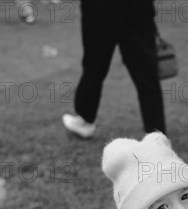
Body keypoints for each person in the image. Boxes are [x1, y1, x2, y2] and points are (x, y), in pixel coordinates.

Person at [63, 1, 165, 139]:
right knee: (146, 74)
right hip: (136, 8)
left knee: (94, 67)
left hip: (100, 10)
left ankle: (85, 119)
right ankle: (156, 134)